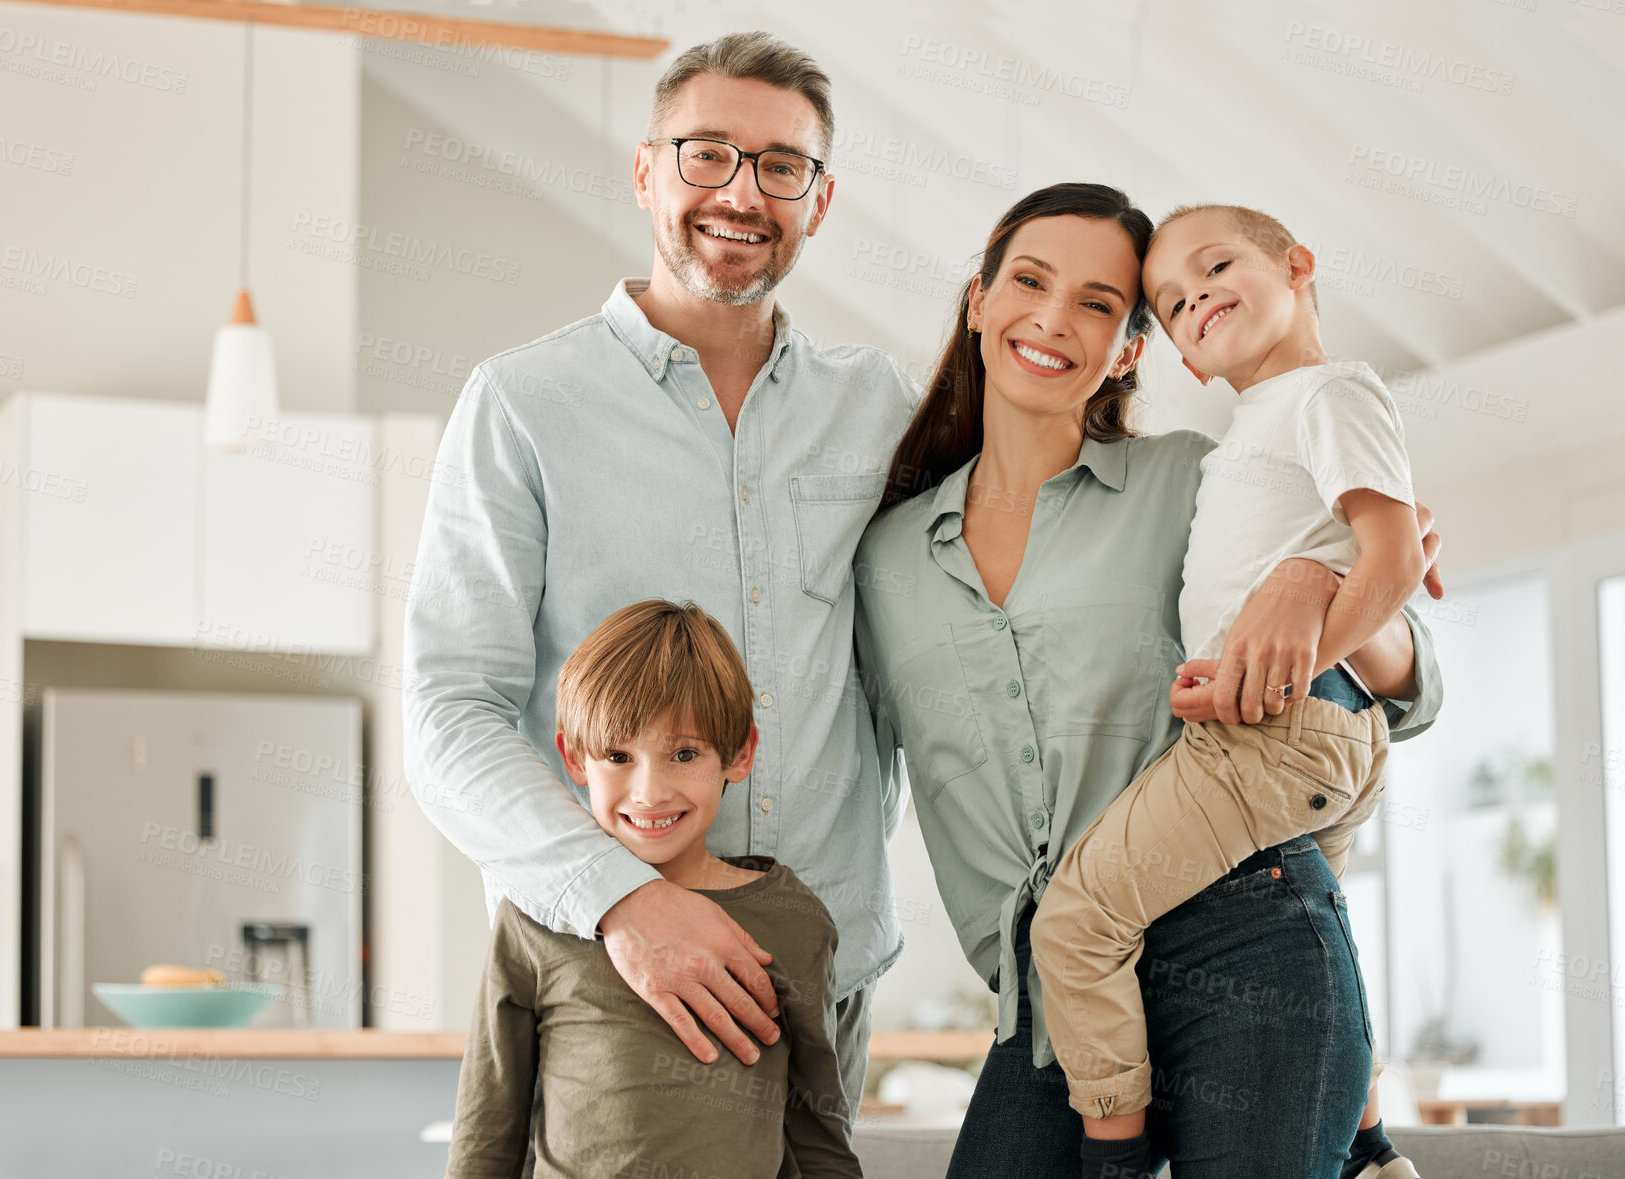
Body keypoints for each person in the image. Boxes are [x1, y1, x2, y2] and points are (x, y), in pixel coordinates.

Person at [852, 183, 1444, 1179]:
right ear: (976, 300)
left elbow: (1409, 690)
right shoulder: (884, 559)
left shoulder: (1192, 477)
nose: (1051, 318)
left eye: (1097, 303)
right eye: (1029, 282)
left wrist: (1317, 582)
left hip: (1246, 938)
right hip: (1055, 999)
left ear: (1129, 349)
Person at [402, 31, 920, 1169]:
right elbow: (449, 712)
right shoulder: (523, 405)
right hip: (606, 980)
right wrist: (620, 903)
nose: (741, 193)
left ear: (819, 202)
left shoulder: (880, 407)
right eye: (705, 155)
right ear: (645, 172)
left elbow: (996, 609)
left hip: (824, 978)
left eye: (781, 166)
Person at [1029, 202, 1429, 1179]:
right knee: (1324, 931)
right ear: (1185, 359)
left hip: (1268, 734)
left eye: (1215, 267)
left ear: (1296, 264)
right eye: (1170, 302)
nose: (1193, 296)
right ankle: (1368, 1145)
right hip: (1323, 735)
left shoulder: (1328, 395)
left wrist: (1288, 661)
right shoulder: (1252, 427)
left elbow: (1394, 559)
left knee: (1075, 922)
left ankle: (1115, 1156)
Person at [444, 600, 859, 1179]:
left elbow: (817, 1137)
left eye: (683, 755)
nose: (649, 792)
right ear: (573, 758)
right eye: (618, 755)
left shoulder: (794, 921)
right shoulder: (534, 918)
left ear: (739, 752)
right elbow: (488, 1132)